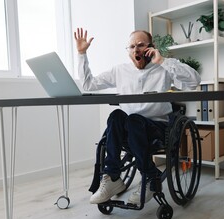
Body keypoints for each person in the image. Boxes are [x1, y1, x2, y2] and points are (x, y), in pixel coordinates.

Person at [74, 28, 201, 205]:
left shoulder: (163, 68)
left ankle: (149, 177)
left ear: (151, 48)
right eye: (132, 46)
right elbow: (88, 84)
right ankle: (112, 178)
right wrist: (82, 53)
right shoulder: (120, 71)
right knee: (117, 116)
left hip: (157, 128)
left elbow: (194, 81)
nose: (136, 50)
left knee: (133, 120)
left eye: (141, 45)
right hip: (130, 129)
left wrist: (163, 61)